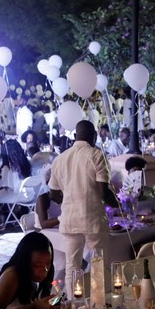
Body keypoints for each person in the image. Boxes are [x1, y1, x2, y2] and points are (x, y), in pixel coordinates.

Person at [48, 120, 120, 283]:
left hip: (69, 219)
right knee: (98, 265)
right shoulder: (96, 155)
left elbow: (53, 194)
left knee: (72, 266)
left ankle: (74, 304)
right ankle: (98, 305)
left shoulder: (60, 159)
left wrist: (69, 198)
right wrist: (119, 205)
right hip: (92, 219)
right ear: (94, 136)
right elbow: (104, 191)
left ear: (75, 136)